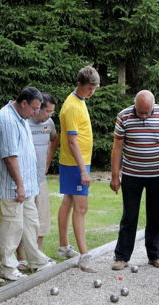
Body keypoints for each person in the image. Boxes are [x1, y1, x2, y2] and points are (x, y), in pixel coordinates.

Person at [0, 86, 55, 281]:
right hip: (13, 185)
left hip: (26, 184)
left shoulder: (22, 117)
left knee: (30, 223)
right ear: (24, 103)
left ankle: (36, 260)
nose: (36, 112)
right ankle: (8, 268)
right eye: (34, 108)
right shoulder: (7, 120)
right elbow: (10, 157)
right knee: (12, 226)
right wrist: (20, 185)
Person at [110, 90, 159, 271]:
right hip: (132, 174)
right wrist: (115, 176)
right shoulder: (124, 116)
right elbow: (117, 147)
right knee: (129, 216)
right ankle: (122, 257)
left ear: (153, 106)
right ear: (135, 105)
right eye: (140, 112)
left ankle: (154, 255)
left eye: (147, 112)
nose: (144, 116)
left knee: (155, 216)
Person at [56, 66, 100, 273]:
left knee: (69, 201)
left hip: (76, 162)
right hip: (75, 163)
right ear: (79, 84)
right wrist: (83, 171)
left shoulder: (78, 101)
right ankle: (84, 256)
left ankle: (64, 246)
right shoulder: (72, 106)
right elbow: (72, 142)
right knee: (81, 208)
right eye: (89, 88)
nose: (92, 92)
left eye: (94, 88)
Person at [15, 93, 58, 270]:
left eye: (52, 112)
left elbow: (54, 140)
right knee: (21, 219)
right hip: (25, 180)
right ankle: (21, 258)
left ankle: (37, 256)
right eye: (47, 111)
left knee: (41, 219)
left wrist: (48, 161)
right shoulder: (25, 122)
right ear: (38, 108)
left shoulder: (49, 124)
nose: (49, 115)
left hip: (40, 179)